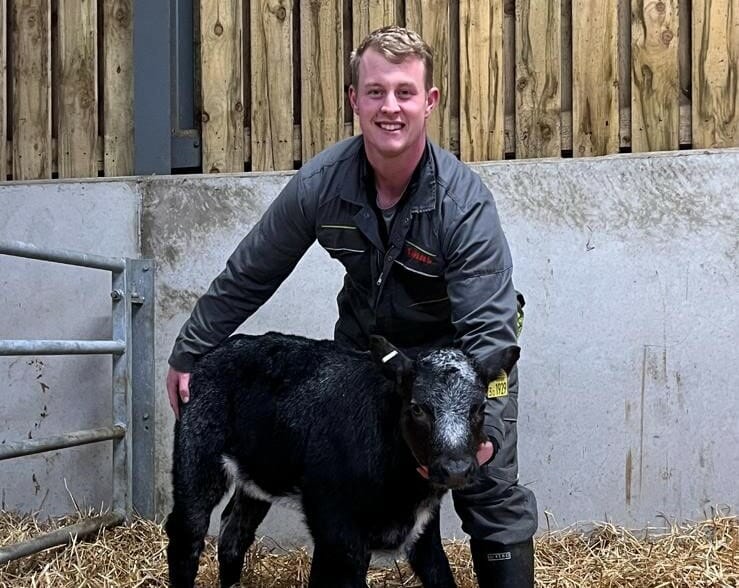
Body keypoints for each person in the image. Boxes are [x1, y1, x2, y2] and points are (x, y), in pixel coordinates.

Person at [166, 25, 537, 587]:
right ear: (354, 100)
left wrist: (476, 430)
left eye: (405, 92)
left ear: (430, 102)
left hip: (454, 365)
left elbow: (489, 331)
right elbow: (253, 270)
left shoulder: (463, 204)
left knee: (486, 487)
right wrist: (190, 349)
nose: (390, 107)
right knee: (345, 487)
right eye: (375, 91)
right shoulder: (322, 183)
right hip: (370, 357)